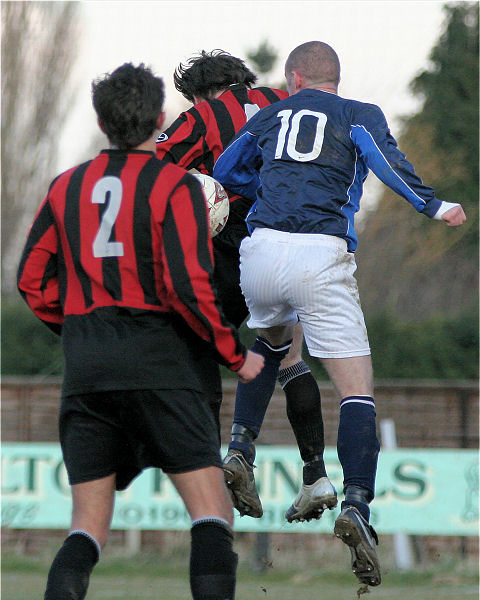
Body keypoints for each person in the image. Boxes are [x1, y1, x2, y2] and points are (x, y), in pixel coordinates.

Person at [213, 41, 467, 587]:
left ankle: (239, 446)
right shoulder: (357, 114)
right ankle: (356, 505)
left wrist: (264, 189)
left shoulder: (270, 113)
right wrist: (435, 205)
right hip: (319, 252)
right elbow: (386, 162)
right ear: (333, 78)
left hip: (259, 250)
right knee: (356, 388)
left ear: (295, 78)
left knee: (274, 342)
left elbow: (224, 167)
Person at [17, 62, 264, 600]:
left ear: (102, 122)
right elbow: (186, 285)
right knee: (212, 514)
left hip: (87, 371)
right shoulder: (174, 186)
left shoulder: (66, 187)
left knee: (87, 528)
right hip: (164, 366)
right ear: (159, 118)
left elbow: (32, 281)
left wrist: (85, 326)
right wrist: (233, 353)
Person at [157, 49, 337, 522]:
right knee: (288, 353)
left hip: (232, 235)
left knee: (203, 342)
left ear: (200, 92)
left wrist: (196, 182)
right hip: (293, 235)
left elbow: (156, 164)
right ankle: (315, 472)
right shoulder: (286, 99)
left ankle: (222, 456)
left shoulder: (203, 115)